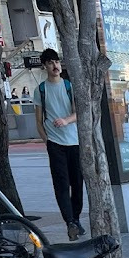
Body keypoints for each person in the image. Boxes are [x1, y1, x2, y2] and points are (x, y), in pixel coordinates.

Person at [34, 48, 84, 241]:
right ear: (45, 66)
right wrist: (47, 140)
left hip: (74, 142)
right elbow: (38, 120)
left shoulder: (69, 86)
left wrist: (66, 120)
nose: (55, 66)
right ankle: (69, 221)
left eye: (57, 62)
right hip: (55, 144)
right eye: (50, 63)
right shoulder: (41, 89)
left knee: (77, 184)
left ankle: (76, 219)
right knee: (61, 185)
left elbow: (78, 113)